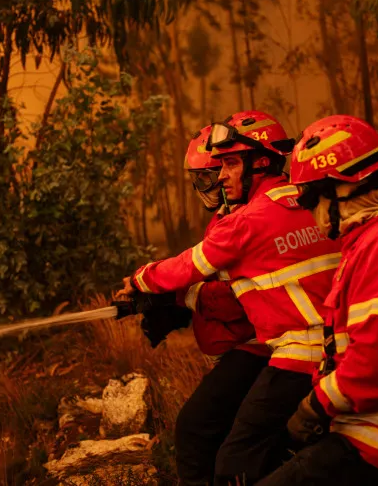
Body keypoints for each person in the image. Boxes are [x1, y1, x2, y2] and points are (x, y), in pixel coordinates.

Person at [121, 111, 340, 485]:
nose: (220, 176)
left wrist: (140, 281)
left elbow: (186, 267)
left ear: (262, 162)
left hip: (296, 350)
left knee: (234, 459)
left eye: (230, 164)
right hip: (335, 347)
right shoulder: (307, 201)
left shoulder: (248, 219)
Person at [258, 115, 378, 485]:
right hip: (371, 428)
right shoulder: (369, 243)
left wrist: (313, 407)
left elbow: (372, 364)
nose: (309, 213)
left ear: (339, 191)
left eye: (310, 197)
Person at [173, 125, 271, 486]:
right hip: (245, 346)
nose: (208, 187)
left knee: (195, 429)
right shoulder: (224, 219)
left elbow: (242, 301)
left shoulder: (251, 218)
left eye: (209, 177)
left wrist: (189, 295)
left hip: (260, 346)